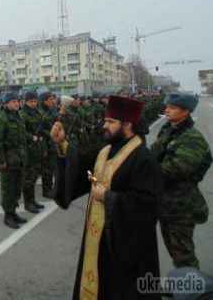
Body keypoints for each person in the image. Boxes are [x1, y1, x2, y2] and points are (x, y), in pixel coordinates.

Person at [51, 95, 162, 299]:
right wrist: (62, 144)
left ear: (127, 124)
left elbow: (147, 207)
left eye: (110, 122)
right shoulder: (105, 151)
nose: (104, 126)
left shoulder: (144, 159)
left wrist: (108, 197)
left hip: (125, 249)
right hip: (98, 242)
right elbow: (82, 164)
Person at [150, 93, 211, 269]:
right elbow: (152, 154)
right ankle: (181, 282)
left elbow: (177, 170)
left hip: (181, 205)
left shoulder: (191, 137)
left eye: (172, 107)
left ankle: (191, 291)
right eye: (167, 106)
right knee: (172, 248)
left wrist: (146, 172)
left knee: (183, 253)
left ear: (186, 112)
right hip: (166, 203)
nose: (167, 110)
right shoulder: (168, 130)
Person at [0, 91, 28, 229]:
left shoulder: (18, 117)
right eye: (13, 101)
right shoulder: (1, 118)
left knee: (17, 189)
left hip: (19, 158)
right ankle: (8, 216)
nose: (17, 103)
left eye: (17, 101)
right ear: (6, 104)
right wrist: (1, 161)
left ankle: (14, 213)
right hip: (8, 159)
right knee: (8, 189)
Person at [19, 90, 46, 213]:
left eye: (35, 101)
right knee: (28, 178)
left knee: (34, 176)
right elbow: (20, 132)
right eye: (31, 101)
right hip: (28, 149)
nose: (34, 103)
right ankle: (28, 203)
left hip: (37, 148)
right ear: (25, 102)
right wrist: (31, 137)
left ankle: (33, 200)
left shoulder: (38, 113)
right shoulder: (22, 115)